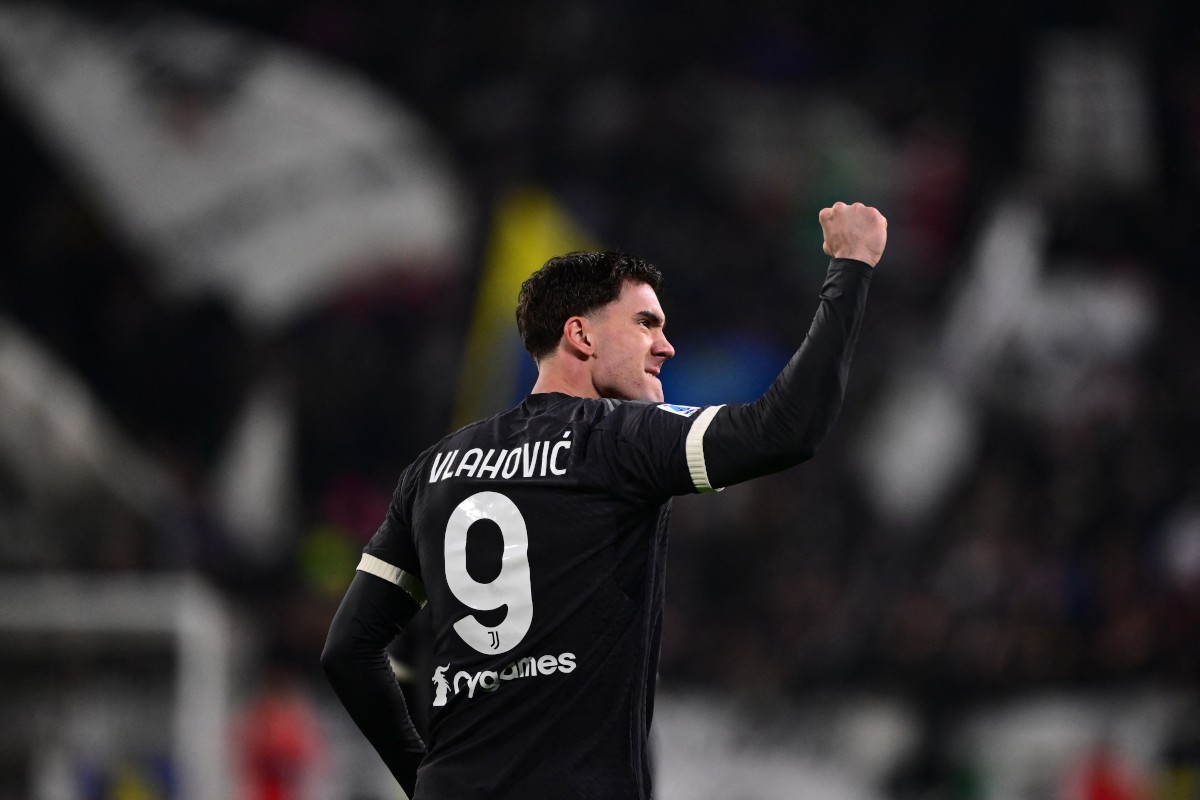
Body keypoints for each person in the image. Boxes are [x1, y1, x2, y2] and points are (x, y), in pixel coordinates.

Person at [321, 201, 887, 799]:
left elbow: (349, 651)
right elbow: (786, 429)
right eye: (646, 323)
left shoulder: (433, 471)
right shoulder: (614, 439)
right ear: (580, 334)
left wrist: (424, 777)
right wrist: (851, 266)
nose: (666, 346)